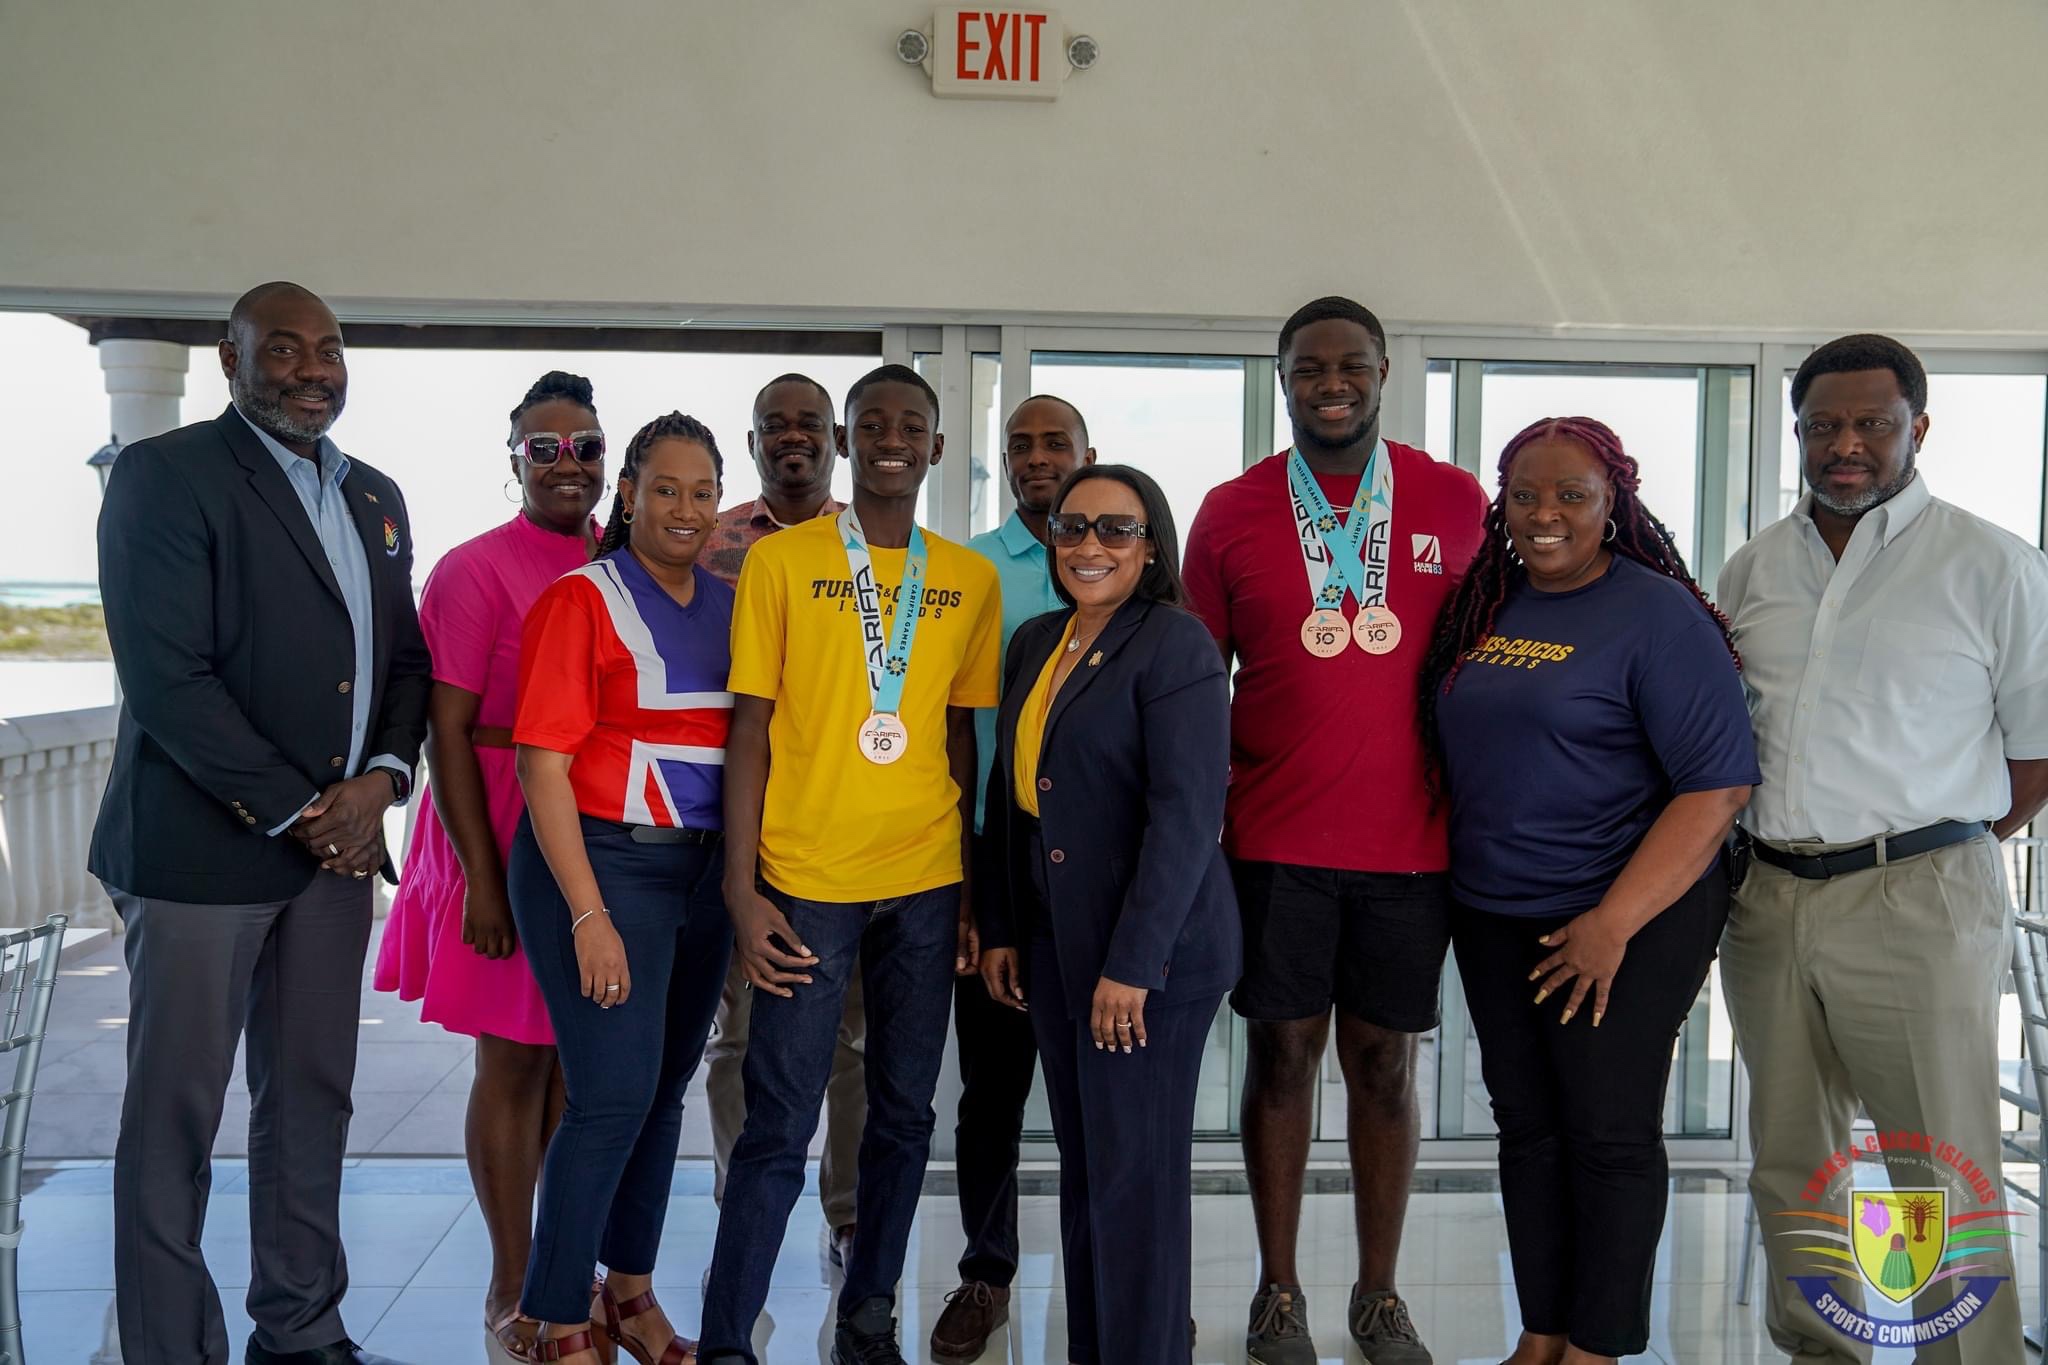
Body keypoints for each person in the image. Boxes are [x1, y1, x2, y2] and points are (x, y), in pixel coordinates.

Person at [88, 281, 429, 1365]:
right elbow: (168, 677)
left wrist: (381, 781)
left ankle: (300, 1329)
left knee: (312, 1101)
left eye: (328, 349)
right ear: (230, 362)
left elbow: (404, 661)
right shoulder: (166, 475)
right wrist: (304, 809)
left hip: (335, 860)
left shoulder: (374, 494)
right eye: (282, 349)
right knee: (174, 1118)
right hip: (199, 855)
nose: (312, 369)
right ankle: (169, 1348)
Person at [1718, 334, 2048, 1363]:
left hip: (1918, 893)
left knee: (1937, 1169)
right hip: (1769, 899)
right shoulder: (1752, 567)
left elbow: (2036, 751)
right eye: (1823, 425)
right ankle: (1821, 1353)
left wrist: (1935, 848)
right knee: (1792, 1161)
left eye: (1871, 423)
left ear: (1918, 428)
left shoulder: (1991, 564)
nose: (1845, 444)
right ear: (1798, 432)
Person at [1183, 295, 1487, 1365]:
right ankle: (1278, 1292)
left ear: (1382, 372)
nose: (1330, 383)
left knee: (1384, 1067)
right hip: (1271, 841)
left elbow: (1490, 659)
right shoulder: (1230, 511)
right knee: (1280, 1059)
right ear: (1282, 380)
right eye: (1308, 367)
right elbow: (1195, 684)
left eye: (1350, 364)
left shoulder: (1455, 499)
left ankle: (1378, 1292)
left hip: (1413, 844)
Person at [1419, 417, 1757, 1365]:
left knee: (1607, 1131)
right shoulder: (1488, 603)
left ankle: (1598, 1348)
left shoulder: (1656, 613)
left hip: (1628, 915)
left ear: (1615, 502)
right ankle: (1543, 1333)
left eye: (1572, 494)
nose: (1546, 514)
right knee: (1527, 1128)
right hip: (1496, 912)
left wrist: (1611, 923)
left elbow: (1718, 788)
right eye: (1525, 494)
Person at [700, 364, 1001, 1365]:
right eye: (871, 424)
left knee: (905, 1114)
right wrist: (741, 886)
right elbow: (749, 728)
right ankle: (727, 1335)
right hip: (805, 880)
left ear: (936, 448)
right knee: (779, 1120)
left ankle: (869, 1314)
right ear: (843, 440)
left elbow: (959, 741)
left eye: (911, 426)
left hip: (924, 880)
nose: (891, 440)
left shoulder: (967, 579)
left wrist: (966, 891)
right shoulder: (780, 563)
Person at [977, 464, 1238, 1365]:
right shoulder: (1038, 640)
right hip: (1055, 941)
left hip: (1147, 958)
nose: (1090, 544)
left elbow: (1187, 817)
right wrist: (1004, 926)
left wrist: (1133, 964)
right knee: (1089, 1169)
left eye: (1115, 529)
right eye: (1072, 526)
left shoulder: (1176, 645)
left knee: (1137, 1181)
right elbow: (1013, 795)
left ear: (1151, 545)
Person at [371, 370, 605, 1360]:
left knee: (571, 1059)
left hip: (589, 823)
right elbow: (447, 730)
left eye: (585, 446)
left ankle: (559, 1268)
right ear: (513, 460)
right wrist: (482, 875)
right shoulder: (472, 570)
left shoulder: (621, 556)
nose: (566, 464)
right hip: (497, 817)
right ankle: (510, 1282)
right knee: (511, 1058)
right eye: (543, 448)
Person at [507, 413, 737, 1364]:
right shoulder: (581, 600)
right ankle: (555, 1317)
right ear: (629, 494)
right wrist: (588, 914)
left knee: (663, 1090)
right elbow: (540, 767)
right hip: (600, 864)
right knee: (609, 1094)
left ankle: (628, 1296)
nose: (685, 508)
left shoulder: (731, 604)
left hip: (700, 874)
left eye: (702, 491)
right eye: (666, 488)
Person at [930, 393, 1096, 1361]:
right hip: (998, 860)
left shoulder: (1121, 567)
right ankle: (984, 1274)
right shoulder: (971, 573)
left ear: (1087, 453)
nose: (1038, 458)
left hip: (1100, 874)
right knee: (991, 1094)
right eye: (1020, 445)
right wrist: (964, 886)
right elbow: (953, 732)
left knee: (1099, 1097)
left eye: (1054, 443)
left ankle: (1109, 1270)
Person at [700, 373, 864, 1270]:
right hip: (739, 827)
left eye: (809, 424)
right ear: (753, 440)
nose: (792, 437)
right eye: (775, 425)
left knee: (848, 1038)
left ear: (835, 437)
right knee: (740, 1036)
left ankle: (848, 1213)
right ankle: (741, 1207)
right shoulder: (712, 542)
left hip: (847, 830)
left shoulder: (875, 548)